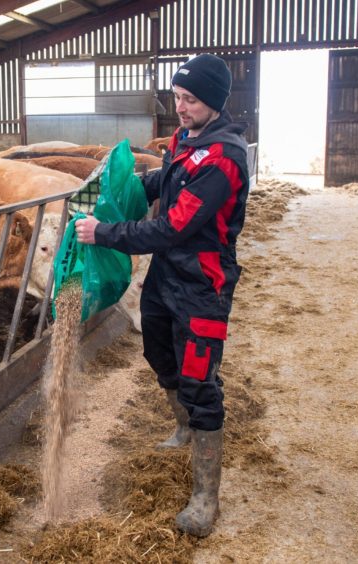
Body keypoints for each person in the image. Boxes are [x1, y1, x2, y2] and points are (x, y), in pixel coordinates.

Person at [74, 53, 250, 537]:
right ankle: (184, 427)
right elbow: (164, 184)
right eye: (177, 97)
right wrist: (121, 184)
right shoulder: (185, 141)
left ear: (213, 101)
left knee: (199, 379)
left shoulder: (224, 160)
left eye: (190, 99)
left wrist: (104, 232)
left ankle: (205, 497)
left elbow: (172, 226)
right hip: (166, 278)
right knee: (157, 352)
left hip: (202, 284)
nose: (180, 107)